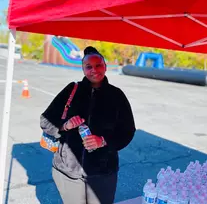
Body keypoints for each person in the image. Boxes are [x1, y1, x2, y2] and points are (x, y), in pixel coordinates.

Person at [40, 46, 136, 204]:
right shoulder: (72, 90)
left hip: (103, 172)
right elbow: (45, 121)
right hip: (68, 171)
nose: (94, 70)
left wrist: (103, 141)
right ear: (83, 68)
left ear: (105, 66)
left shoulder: (116, 95)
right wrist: (65, 125)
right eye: (88, 66)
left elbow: (127, 131)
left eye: (98, 65)